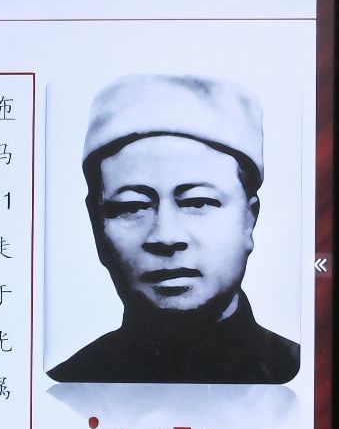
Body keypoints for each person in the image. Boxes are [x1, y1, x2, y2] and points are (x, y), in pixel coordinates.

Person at [49, 74, 300, 384]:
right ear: (97, 226)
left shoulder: (296, 374)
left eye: (198, 202)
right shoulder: (71, 385)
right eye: (132, 206)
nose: (166, 236)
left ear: (250, 219)